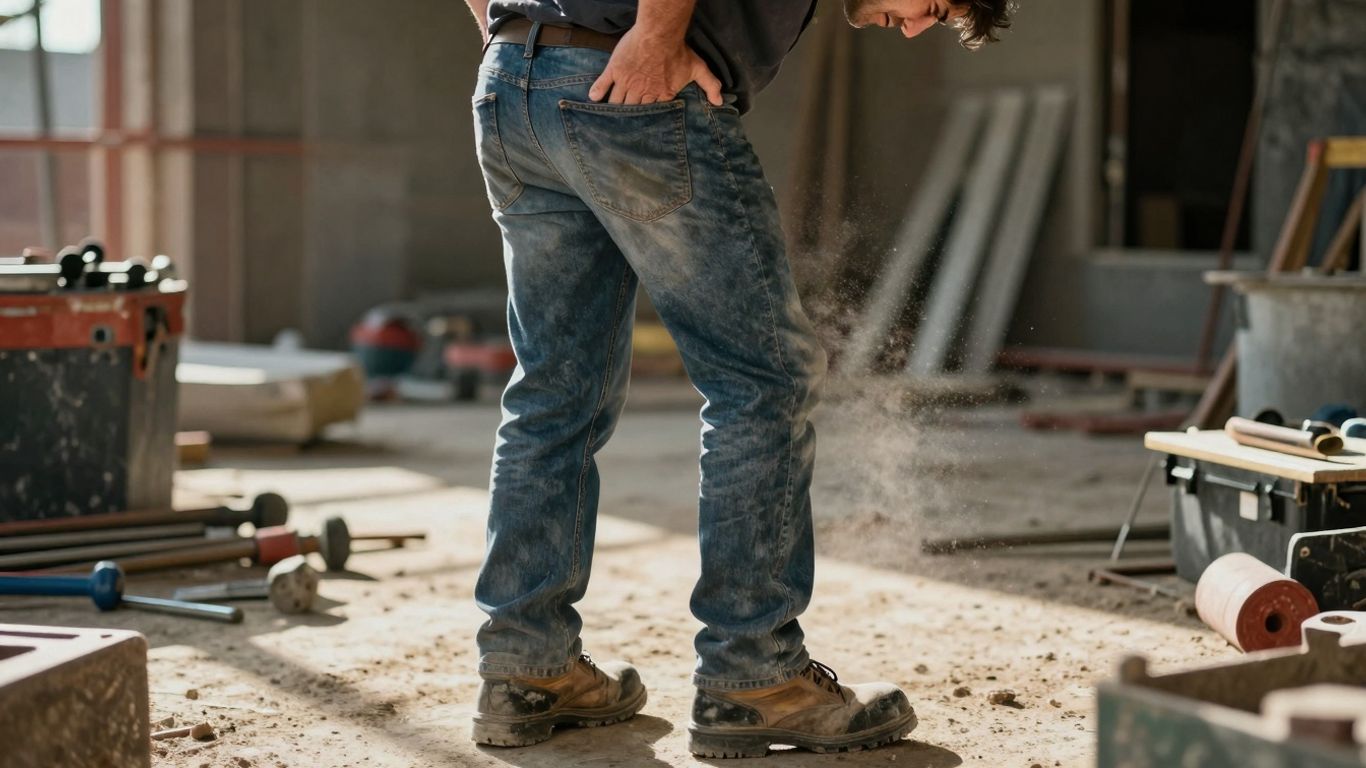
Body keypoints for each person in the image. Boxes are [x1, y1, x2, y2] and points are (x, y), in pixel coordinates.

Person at [462, 0, 1012, 757]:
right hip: (628, 84)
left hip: (514, 91)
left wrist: (518, 46)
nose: (916, 28)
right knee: (763, 381)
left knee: (554, 391)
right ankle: (754, 673)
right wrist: (654, 34)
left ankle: (526, 668)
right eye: (936, 5)